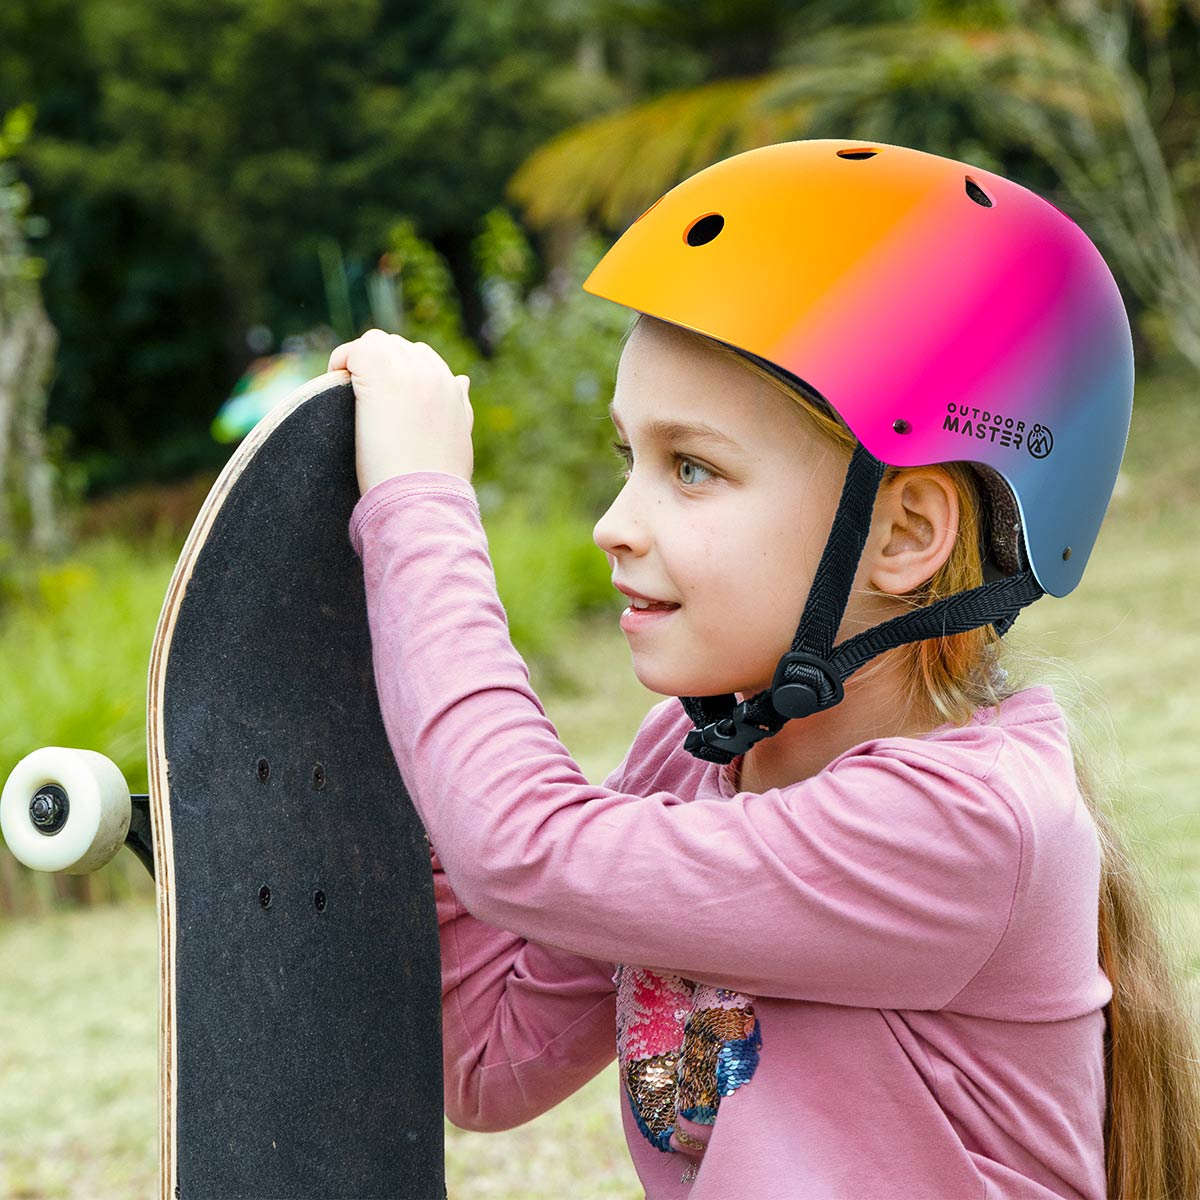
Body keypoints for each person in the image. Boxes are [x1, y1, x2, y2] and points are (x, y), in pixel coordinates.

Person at [331, 139, 1200, 1199]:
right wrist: (397, 744)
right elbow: (490, 1057)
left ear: (902, 535)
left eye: (691, 468)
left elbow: (522, 849)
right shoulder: (692, 759)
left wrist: (419, 510)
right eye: (628, 458)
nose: (616, 524)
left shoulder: (965, 825)